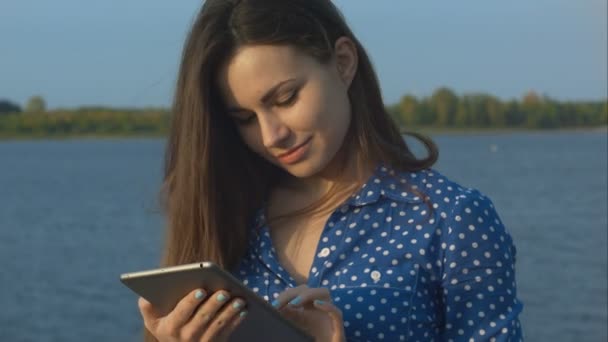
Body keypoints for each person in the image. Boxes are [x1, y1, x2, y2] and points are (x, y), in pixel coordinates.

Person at [137, 0, 524, 341]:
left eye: (285, 98)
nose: (272, 135)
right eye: (244, 118)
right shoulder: (228, 216)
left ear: (343, 63)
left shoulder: (449, 218)